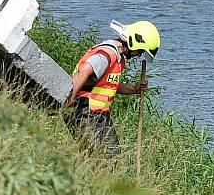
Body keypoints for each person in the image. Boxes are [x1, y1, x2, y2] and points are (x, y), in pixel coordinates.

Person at [66, 20, 160, 153]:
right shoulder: (107, 53)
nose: (139, 55)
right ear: (133, 42)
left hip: (101, 114)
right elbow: (83, 71)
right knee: (95, 157)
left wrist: (134, 89)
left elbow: (109, 85)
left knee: (113, 153)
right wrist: (70, 100)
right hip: (84, 111)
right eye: (140, 51)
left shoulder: (119, 57)